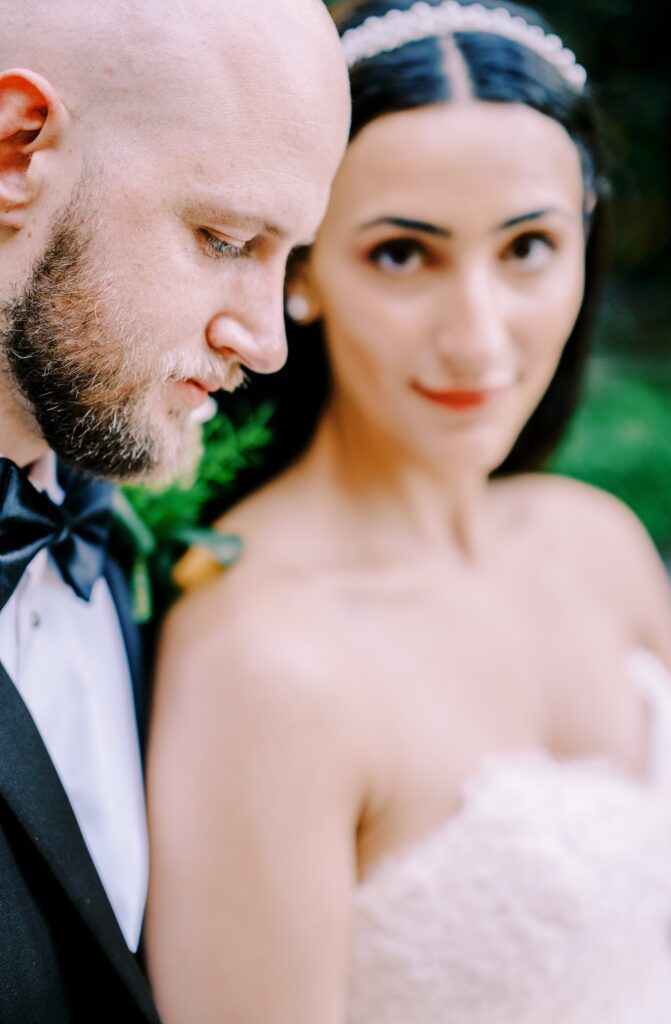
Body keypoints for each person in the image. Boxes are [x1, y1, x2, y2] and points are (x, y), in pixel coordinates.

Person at [147, 1, 671, 1021]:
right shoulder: (262, 657)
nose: (476, 339)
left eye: (525, 248)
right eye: (402, 254)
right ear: (300, 272)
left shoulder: (596, 541)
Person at [0, 0, 350, 1019]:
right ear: (18, 151)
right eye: (223, 237)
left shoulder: (122, 549)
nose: (266, 338)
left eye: (287, 259)